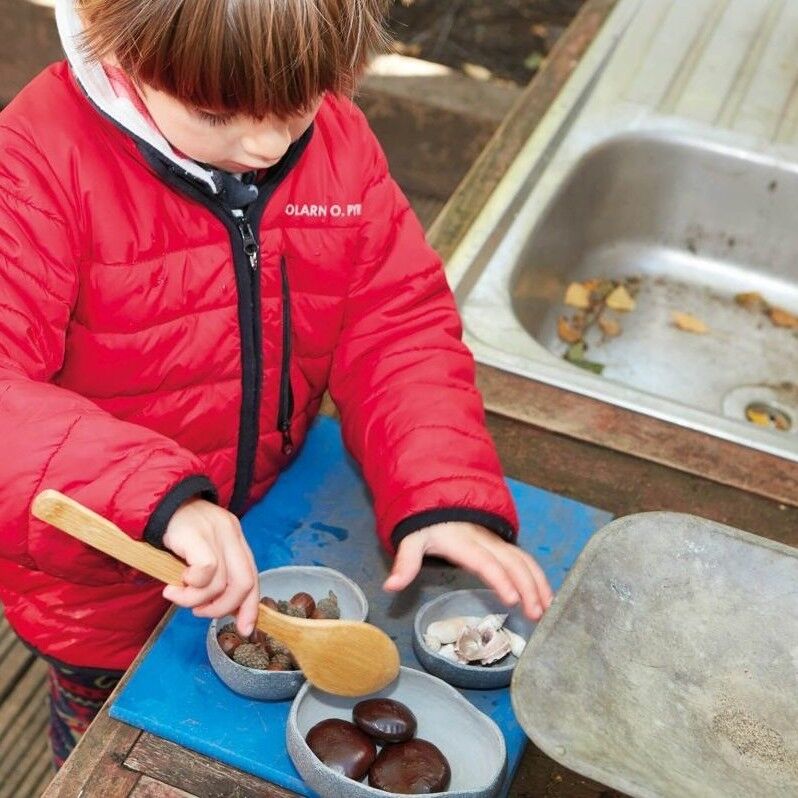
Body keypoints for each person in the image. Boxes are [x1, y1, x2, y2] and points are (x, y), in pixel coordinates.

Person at [0, 0, 553, 767]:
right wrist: (155, 500)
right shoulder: (33, 168)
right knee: (110, 744)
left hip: (276, 528)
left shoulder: (336, 148)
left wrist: (439, 488)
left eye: (296, 103)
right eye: (214, 111)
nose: (265, 143)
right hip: (110, 587)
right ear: (113, 41)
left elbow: (393, 322)